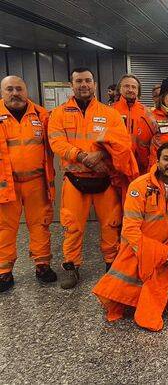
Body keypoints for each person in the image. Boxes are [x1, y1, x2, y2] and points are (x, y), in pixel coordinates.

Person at [92, 143, 168, 331]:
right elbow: (130, 230)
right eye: (166, 159)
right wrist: (157, 253)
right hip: (139, 246)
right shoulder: (138, 186)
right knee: (119, 296)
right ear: (157, 161)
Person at [48, 67, 138, 289]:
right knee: (72, 226)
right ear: (72, 85)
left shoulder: (110, 114)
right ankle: (71, 266)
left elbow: (123, 142)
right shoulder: (58, 114)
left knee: (111, 224)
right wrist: (79, 155)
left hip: (104, 177)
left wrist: (102, 154)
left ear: (95, 84)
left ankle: (111, 264)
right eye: (79, 81)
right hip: (74, 177)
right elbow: (56, 142)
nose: (84, 85)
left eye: (88, 80)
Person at [0, 76, 56, 292]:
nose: (15, 93)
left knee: (40, 224)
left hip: (36, 182)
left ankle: (42, 265)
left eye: (19, 89)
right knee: (5, 228)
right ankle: (4, 272)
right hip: (6, 184)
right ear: (3, 92)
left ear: (26, 90)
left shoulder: (42, 115)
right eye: (9, 89)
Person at [112, 74, 156, 174]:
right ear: (119, 89)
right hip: (117, 168)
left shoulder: (147, 112)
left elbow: (154, 140)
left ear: (138, 91)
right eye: (126, 86)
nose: (130, 90)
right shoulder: (110, 111)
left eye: (134, 87)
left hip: (141, 167)